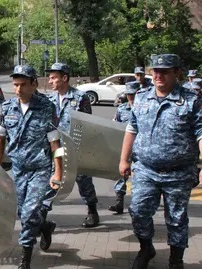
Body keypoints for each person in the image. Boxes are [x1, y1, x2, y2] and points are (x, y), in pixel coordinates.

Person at [119, 54, 202, 269]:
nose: (158, 75)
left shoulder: (191, 100)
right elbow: (131, 129)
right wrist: (123, 160)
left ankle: (176, 259)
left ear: (177, 73)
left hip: (179, 172)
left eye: (165, 71)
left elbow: (201, 133)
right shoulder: (141, 97)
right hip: (146, 169)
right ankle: (146, 248)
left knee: (176, 218)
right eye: (155, 71)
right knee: (138, 211)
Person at [0, 65, 62, 269]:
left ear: (34, 84)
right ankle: (45, 226)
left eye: (23, 84)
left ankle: (25, 256)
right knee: (23, 213)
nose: (18, 89)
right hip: (18, 169)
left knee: (30, 212)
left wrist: (58, 171)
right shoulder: (7, 108)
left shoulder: (47, 108)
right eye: (15, 85)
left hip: (40, 169)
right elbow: (0, 138)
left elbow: (55, 143)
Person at [46, 63, 100, 228]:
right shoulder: (49, 99)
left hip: (75, 147)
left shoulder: (80, 97)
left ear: (64, 78)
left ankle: (92, 211)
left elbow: (87, 124)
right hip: (56, 148)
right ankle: (40, 216)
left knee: (83, 181)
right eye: (50, 77)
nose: (50, 81)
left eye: (53, 77)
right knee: (51, 179)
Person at [108, 81, 141, 214]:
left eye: (132, 94)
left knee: (139, 177)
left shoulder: (145, 107)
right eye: (128, 95)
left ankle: (137, 204)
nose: (130, 97)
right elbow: (114, 126)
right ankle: (119, 201)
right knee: (121, 174)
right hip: (126, 147)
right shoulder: (122, 109)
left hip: (141, 148)